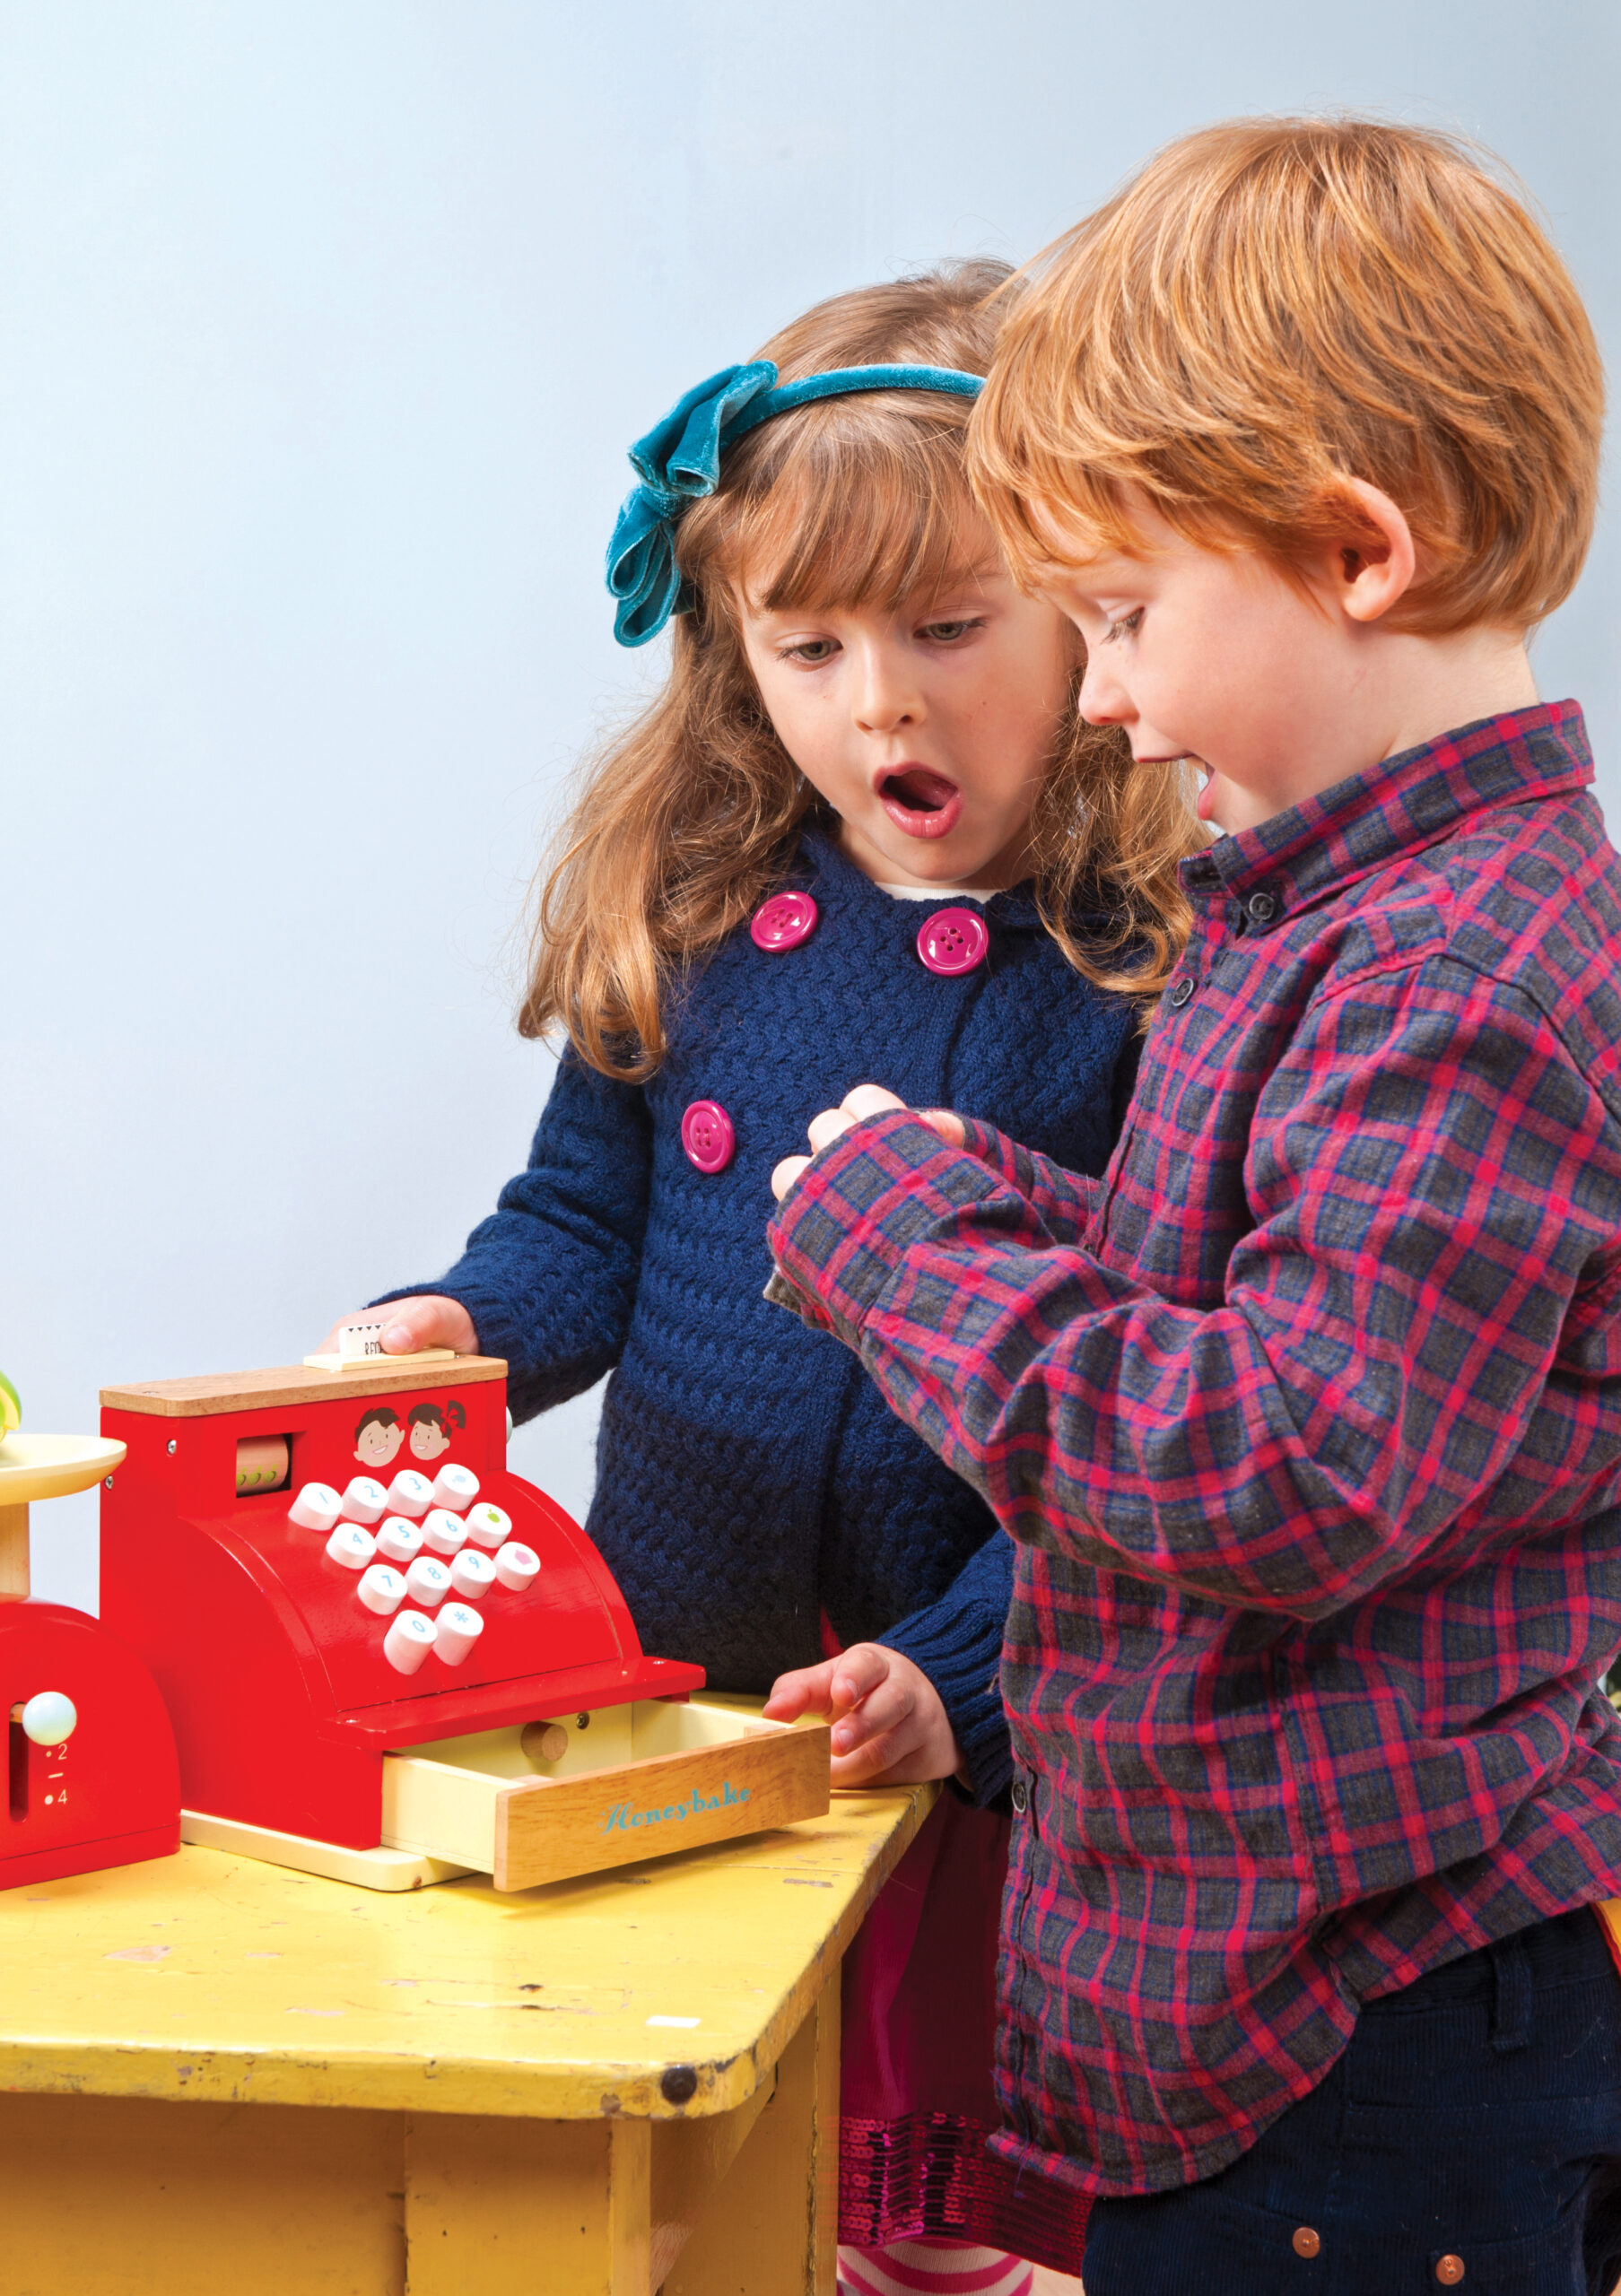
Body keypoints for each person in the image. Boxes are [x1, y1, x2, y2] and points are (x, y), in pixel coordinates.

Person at [764, 119, 1621, 2294]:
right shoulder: (1343, 909)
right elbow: (1272, 1298)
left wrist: (909, 1252)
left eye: (1127, 618)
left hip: (1367, 2031)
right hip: (1258, 2012)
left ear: (1352, 552)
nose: (1114, 701)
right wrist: (1015, 1200)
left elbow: (1282, 1458)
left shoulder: (1460, 971)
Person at [318, 263, 1201, 2294]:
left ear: (1087, 592)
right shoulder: (709, 912)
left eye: (948, 624)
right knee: (699, 2111)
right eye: (804, 643)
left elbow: (1146, 1403)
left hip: (976, 1658)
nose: (875, 696)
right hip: (694, 1638)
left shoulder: (1145, 959)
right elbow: (579, 1227)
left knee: (937, 2126)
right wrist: (452, 1331)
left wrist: (958, 1667)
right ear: (732, 653)